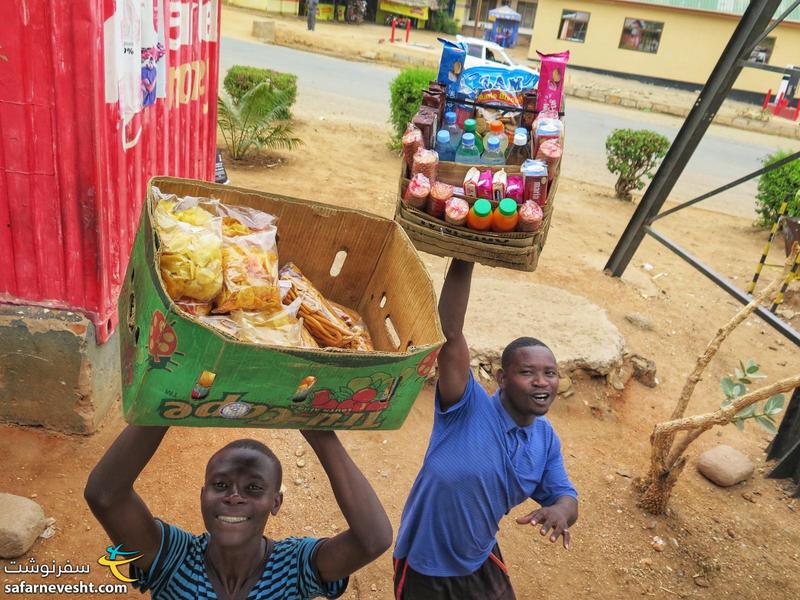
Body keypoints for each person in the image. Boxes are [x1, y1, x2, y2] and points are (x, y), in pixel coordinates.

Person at [393, 258, 578, 599]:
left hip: (480, 559)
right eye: (527, 372)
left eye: (550, 373)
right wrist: (465, 256)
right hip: (424, 565)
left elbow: (566, 496)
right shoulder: (466, 405)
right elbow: (449, 336)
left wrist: (560, 511)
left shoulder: (545, 439)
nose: (541, 382)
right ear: (501, 378)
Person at [85, 426, 392, 599]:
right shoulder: (173, 559)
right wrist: (164, 404)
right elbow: (105, 496)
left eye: (254, 488)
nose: (234, 496)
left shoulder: (293, 567)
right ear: (203, 496)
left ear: (276, 503)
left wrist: (319, 431)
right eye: (221, 484)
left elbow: (372, 540)